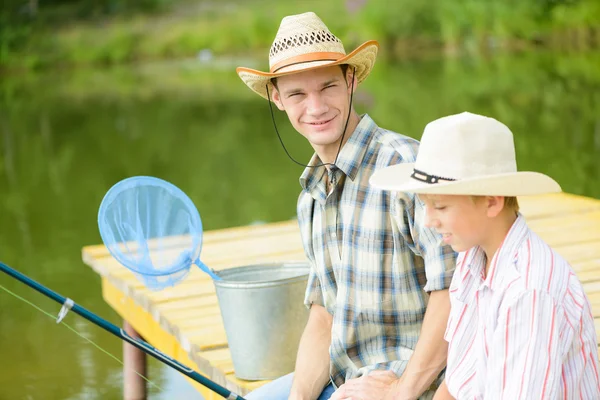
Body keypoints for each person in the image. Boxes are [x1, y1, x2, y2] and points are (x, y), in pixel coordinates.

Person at [236, 12, 456, 400]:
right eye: (297, 95)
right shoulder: (311, 198)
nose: (316, 107)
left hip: (424, 383)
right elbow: (323, 315)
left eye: (328, 87)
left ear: (351, 80)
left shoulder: (406, 168)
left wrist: (401, 391)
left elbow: (455, 292)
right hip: (349, 382)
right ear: (277, 99)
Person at [369, 111, 600, 399]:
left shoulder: (528, 291)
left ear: (491, 202)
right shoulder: (473, 257)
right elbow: (458, 380)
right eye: (425, 205)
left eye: (440, 207)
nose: (428, 220)